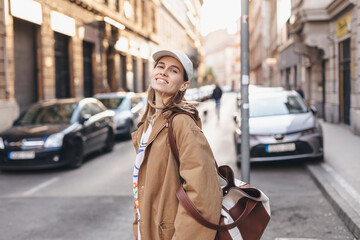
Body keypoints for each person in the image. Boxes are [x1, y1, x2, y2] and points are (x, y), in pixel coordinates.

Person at [131, 50, 222, 239]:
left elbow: (202, 193)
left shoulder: (181, 123)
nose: (163, 72)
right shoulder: (146, 125)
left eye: (173, 71)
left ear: (184, 85)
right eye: (160, 66)